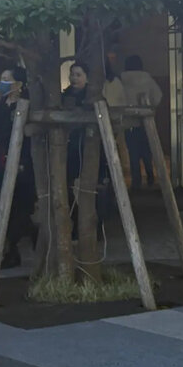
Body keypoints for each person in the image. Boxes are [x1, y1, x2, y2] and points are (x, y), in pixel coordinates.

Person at [0, 66, 36, 268]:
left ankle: (12, 249)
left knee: (18, 206)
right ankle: (26, 237)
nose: (3, 83)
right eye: (2, 78)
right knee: (4, 206)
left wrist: (22, 161)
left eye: (7, 79)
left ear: (19, 84)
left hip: (21, 162)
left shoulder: (26, 106)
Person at [62, 61, 110, 239]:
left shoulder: (94, 97)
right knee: (66, 187)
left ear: (87, 77)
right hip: (70, 148)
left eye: (78, 75)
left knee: (94, 188)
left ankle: (95, 226)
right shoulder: (64, 96)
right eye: (72, 74)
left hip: (92, 147)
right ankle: (76, 222)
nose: (74, 78)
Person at [121, 54, 162, 189]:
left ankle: (136, 181)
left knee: (133, 153)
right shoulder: (147, 79)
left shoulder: (121, 80)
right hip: (146, 122)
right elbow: (158, 96)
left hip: (129, 122)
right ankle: (150, 176)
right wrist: (151, 108)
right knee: (147, 151)